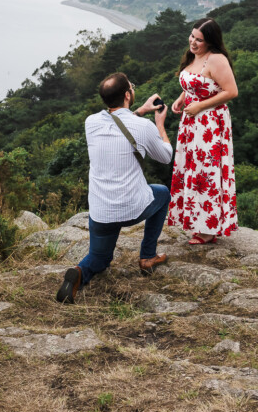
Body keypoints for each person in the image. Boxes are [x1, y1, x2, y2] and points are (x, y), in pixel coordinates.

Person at [56, 72, 173, 304]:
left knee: (99, 259)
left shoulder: (91, 123)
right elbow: (166, 156)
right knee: (162, 193)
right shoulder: (144, 126)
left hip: (102, 212)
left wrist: (140, 110)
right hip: (132, 208)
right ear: (128, 94)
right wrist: (159, 126)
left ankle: (80, 272)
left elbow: (119, 123)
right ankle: (148, 256)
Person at [167, 18, 238, 244]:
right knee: (191, 171)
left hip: (210, 124)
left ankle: (209, 229)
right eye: (192, 36)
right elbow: (196, 85)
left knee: (206, 173)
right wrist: (182, 99)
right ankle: (196, 221)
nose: (193, 42)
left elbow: (231, 91)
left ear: (210, 42)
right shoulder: (193, 56)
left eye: (199, 40)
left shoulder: (216, 59)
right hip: (191, 123)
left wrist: (199, 106)